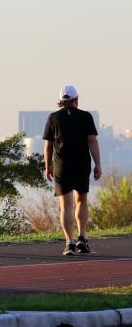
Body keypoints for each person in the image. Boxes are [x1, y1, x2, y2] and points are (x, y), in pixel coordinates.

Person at [43, 85, 102, 256]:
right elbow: (92, 141)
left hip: (62, 166)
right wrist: (98, 164)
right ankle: (82, 236)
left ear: (61, 101)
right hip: (82, 164)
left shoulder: (53, 118)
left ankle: (69, 243)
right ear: (76, 99)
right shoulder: (86, 116)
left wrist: (48, 166)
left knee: (66, 205)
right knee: (81, 200)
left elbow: (48, 146)